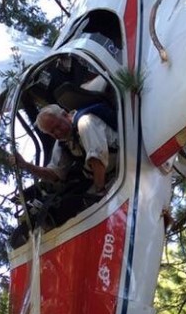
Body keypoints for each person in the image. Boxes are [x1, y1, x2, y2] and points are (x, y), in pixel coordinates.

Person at [8, 101, 119, 246]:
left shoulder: (85, 122)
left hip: (121, 170)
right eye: (52, 132)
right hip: (104, 180)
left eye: (58, 126)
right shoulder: (63, 142)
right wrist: (26, 166)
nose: (58, 133)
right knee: (65, 206)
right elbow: (54, 174)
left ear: (65, 115)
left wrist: (99, 192)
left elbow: (97, 159)